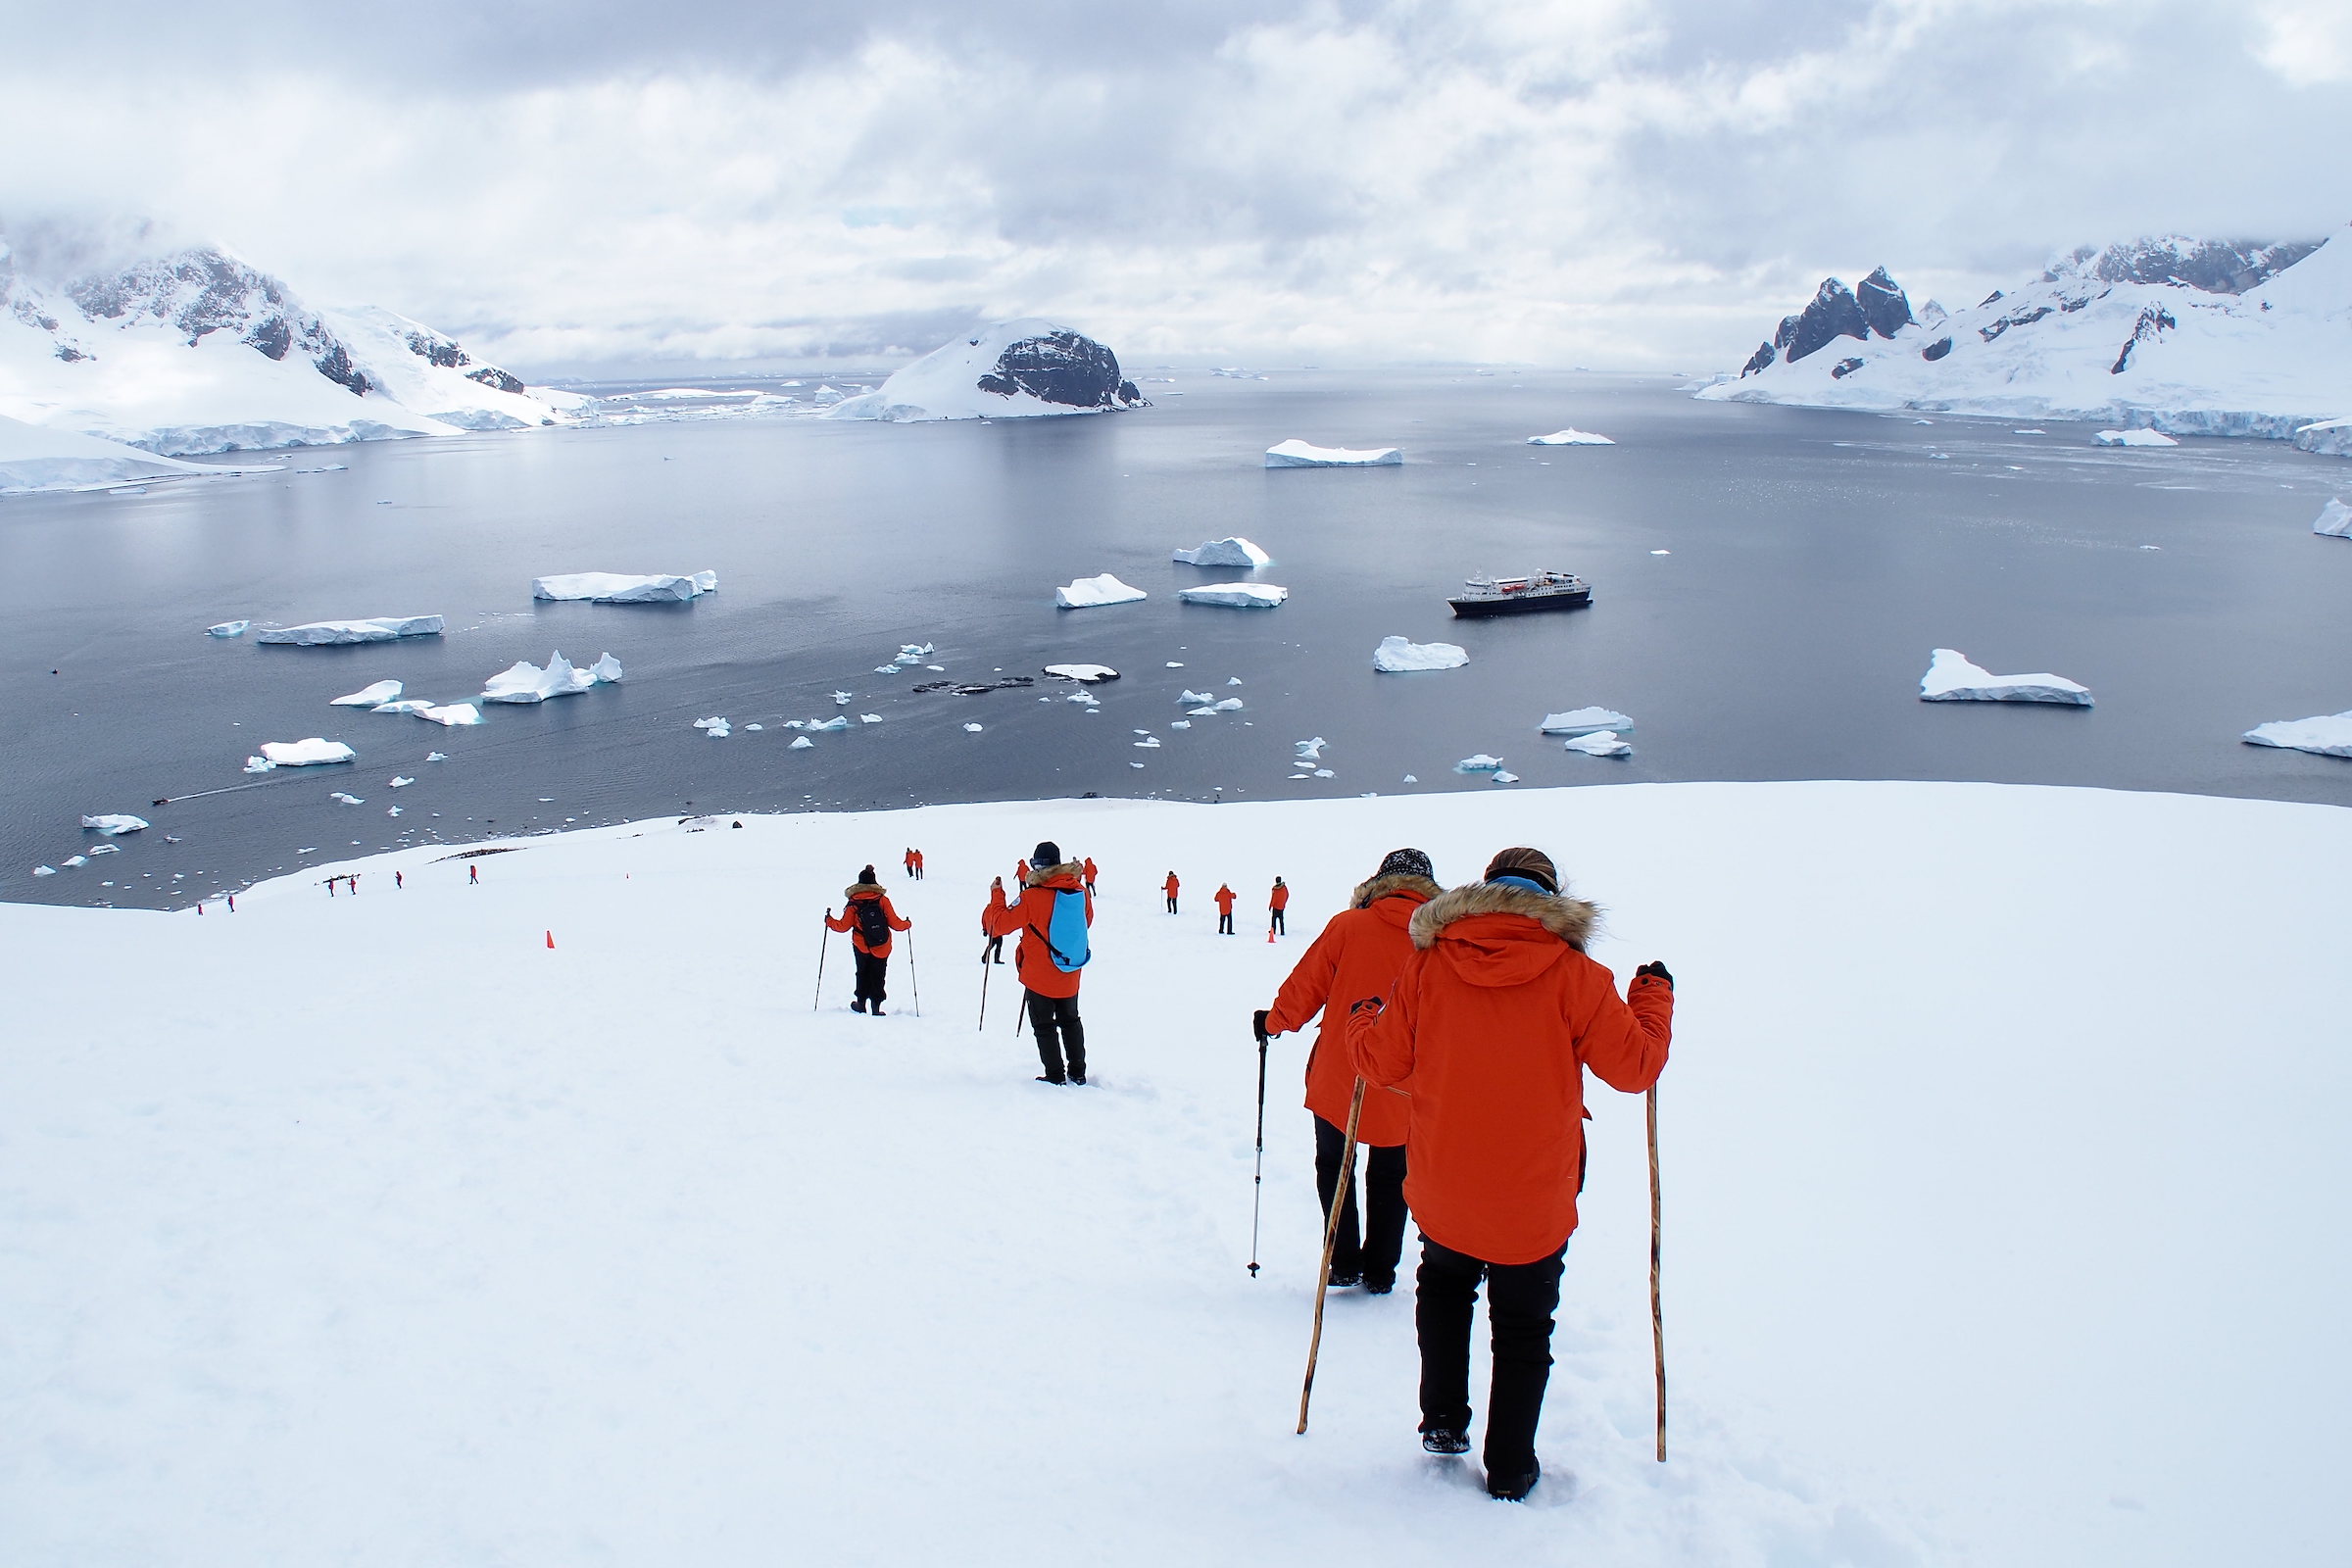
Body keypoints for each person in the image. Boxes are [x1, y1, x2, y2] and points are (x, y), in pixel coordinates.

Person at [1348, 846, 1672, 1502]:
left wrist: (1361, 1020)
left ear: (1483, 892)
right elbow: (1635, 1069)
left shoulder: (1429, 966)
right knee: (1523, 1326)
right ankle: (1509, 1467)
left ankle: (1442, 1421)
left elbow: (1381, 1065)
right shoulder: (1579, 976)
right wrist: (1653, 998)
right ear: (1550, 899)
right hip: (1533, 1193)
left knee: (1443, 1289)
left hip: (1443, 1180)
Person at [1254, 848, 1441, 1295]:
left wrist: (1273, 1022)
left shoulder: (1348, 926)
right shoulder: (1439, 939)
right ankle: (1381, 1269)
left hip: (1343, 1071)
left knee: (1335, 1166)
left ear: (1380, 881)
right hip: (1407, 1078)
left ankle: (1342, 1261)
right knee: (1391, 1174)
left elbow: (1307, 986)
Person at [982, 841, 1095, 1085]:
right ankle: (1078, 1071)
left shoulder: (1032, 897)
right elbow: (1087, 921)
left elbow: (998, 925)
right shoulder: (1080, 892)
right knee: (1071, 1021)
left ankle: (1055, 1075)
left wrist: (996, 895)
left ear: (1037, 866)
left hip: (1040, 974)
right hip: (1070, 970)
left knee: (1044, 1026)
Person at [824, 864, 912, 1015]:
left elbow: (843, 926)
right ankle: (876, 1008)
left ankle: (861, 1004)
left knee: (862, 973)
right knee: (878, 974)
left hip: (861, 945)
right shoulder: (883, 900)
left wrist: (829, 920)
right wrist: (907, 924)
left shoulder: (853, 902)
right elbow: (896, 924)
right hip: (882, 945)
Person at [983, 876, 1007, 963]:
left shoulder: (987, 909)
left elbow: (983, 919)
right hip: (996, 929)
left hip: (991, 930)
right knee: (997, 945)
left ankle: (985, 958)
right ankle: (994, 959)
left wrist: (985, 929)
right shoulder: (994, 908)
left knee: (991, 945)